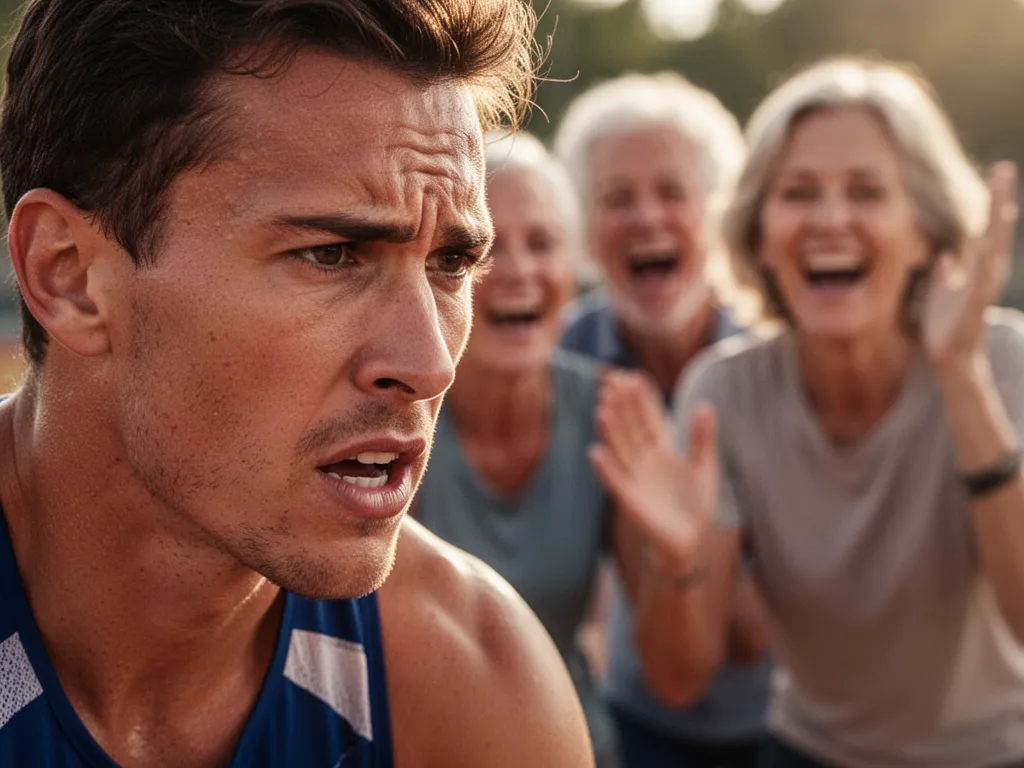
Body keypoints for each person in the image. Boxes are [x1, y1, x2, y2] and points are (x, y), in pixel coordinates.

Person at [0, 2, 596, 767]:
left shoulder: (471, 679)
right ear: (69, 276)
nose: (429, 363)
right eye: (332, 255)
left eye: (450, 264)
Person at [592, 58, 1024, 768]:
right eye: (798, 192)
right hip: (809, 753)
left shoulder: (1001, 359)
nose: (829, 219)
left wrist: (961, 378)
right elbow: (677, 679)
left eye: (866, 190)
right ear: (759, 234)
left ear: (925, 231)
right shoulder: (724, 393)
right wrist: (677, 559)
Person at [555, 72, 773, 767]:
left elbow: (757, 633)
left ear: (718, 210)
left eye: (672, 192)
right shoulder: (561, 358)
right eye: (617, 197)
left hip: (785, 727)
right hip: (636, 719)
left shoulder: (771, 362)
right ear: (586, 228)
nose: (647, 218)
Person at [414, 131, 620, 766]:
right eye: (485, 248)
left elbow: (678, 677)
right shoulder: (391, 412)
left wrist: (678, 554)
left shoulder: (614, 413)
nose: (521, 271)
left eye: (543, 243)